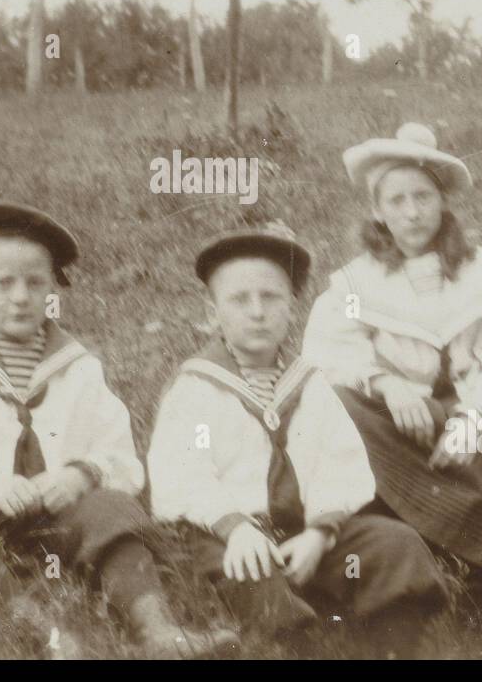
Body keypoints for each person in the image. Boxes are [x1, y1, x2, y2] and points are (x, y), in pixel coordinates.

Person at [0, 201, 237, 659]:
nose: (21, 297)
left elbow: (120, 455)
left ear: (52, 290)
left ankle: (156, 628)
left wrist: (80, 475)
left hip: (58, 522)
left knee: (112, 505)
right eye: (3, 283)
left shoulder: (78, 367)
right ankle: (43, 633)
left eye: (35, 283)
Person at [302, 124, 482, 658]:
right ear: (377, 211)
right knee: (342, 408)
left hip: (468, 411)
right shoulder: (357, 282)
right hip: (401, 420)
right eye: (395, 200)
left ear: (443, 203)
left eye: (423, 197)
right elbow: (324, 351)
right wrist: (385, 383)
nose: (411, 212)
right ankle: (396, 579)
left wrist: (475, 416)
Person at [148, 223, 448, 658]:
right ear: (211, 313)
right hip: (232, 537)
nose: (257, 312)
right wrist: (234, 528)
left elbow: (340, 463)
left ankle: (389, 646)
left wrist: (321, 533)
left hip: (308, 536)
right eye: (239, 300)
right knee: (252, 576)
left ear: (292, 306)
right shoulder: (197, 387)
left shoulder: (310, 383)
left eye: (271, 297)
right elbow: (183, 474)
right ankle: (293, 639)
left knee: (392, 544)